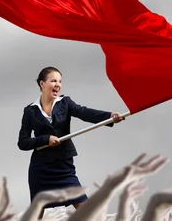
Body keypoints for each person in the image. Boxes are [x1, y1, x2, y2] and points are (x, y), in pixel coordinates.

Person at [17, 66, 125, 218]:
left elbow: (85, 112)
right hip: (40, 168)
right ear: (42, 84)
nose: (58, 84)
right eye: (53, 80)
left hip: (63, 166)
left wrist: (109, 116)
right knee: (36, 213)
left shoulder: (65, 103)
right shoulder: (30, 111)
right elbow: (23, 142)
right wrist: (45, 139)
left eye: (60, 81)